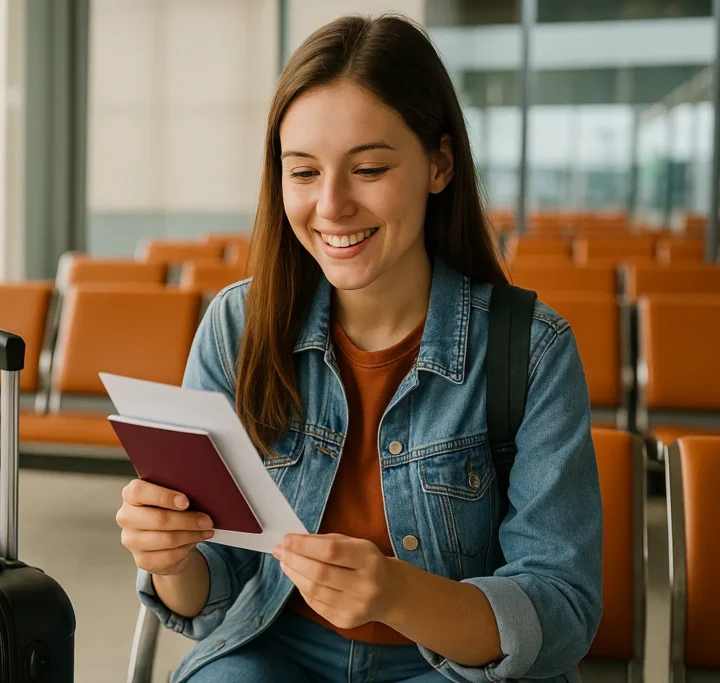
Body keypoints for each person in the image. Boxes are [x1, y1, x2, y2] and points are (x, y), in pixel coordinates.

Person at [115, 13, 602, 683]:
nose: (332, 204)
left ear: (439, 163)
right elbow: (213, 591)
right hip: (273, 649)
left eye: (369, 168)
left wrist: (398, 595)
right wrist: (170, 559)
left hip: (455, 668)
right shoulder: (239, 326)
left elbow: (561, 608)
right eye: (304, 172)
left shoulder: (532, 350)